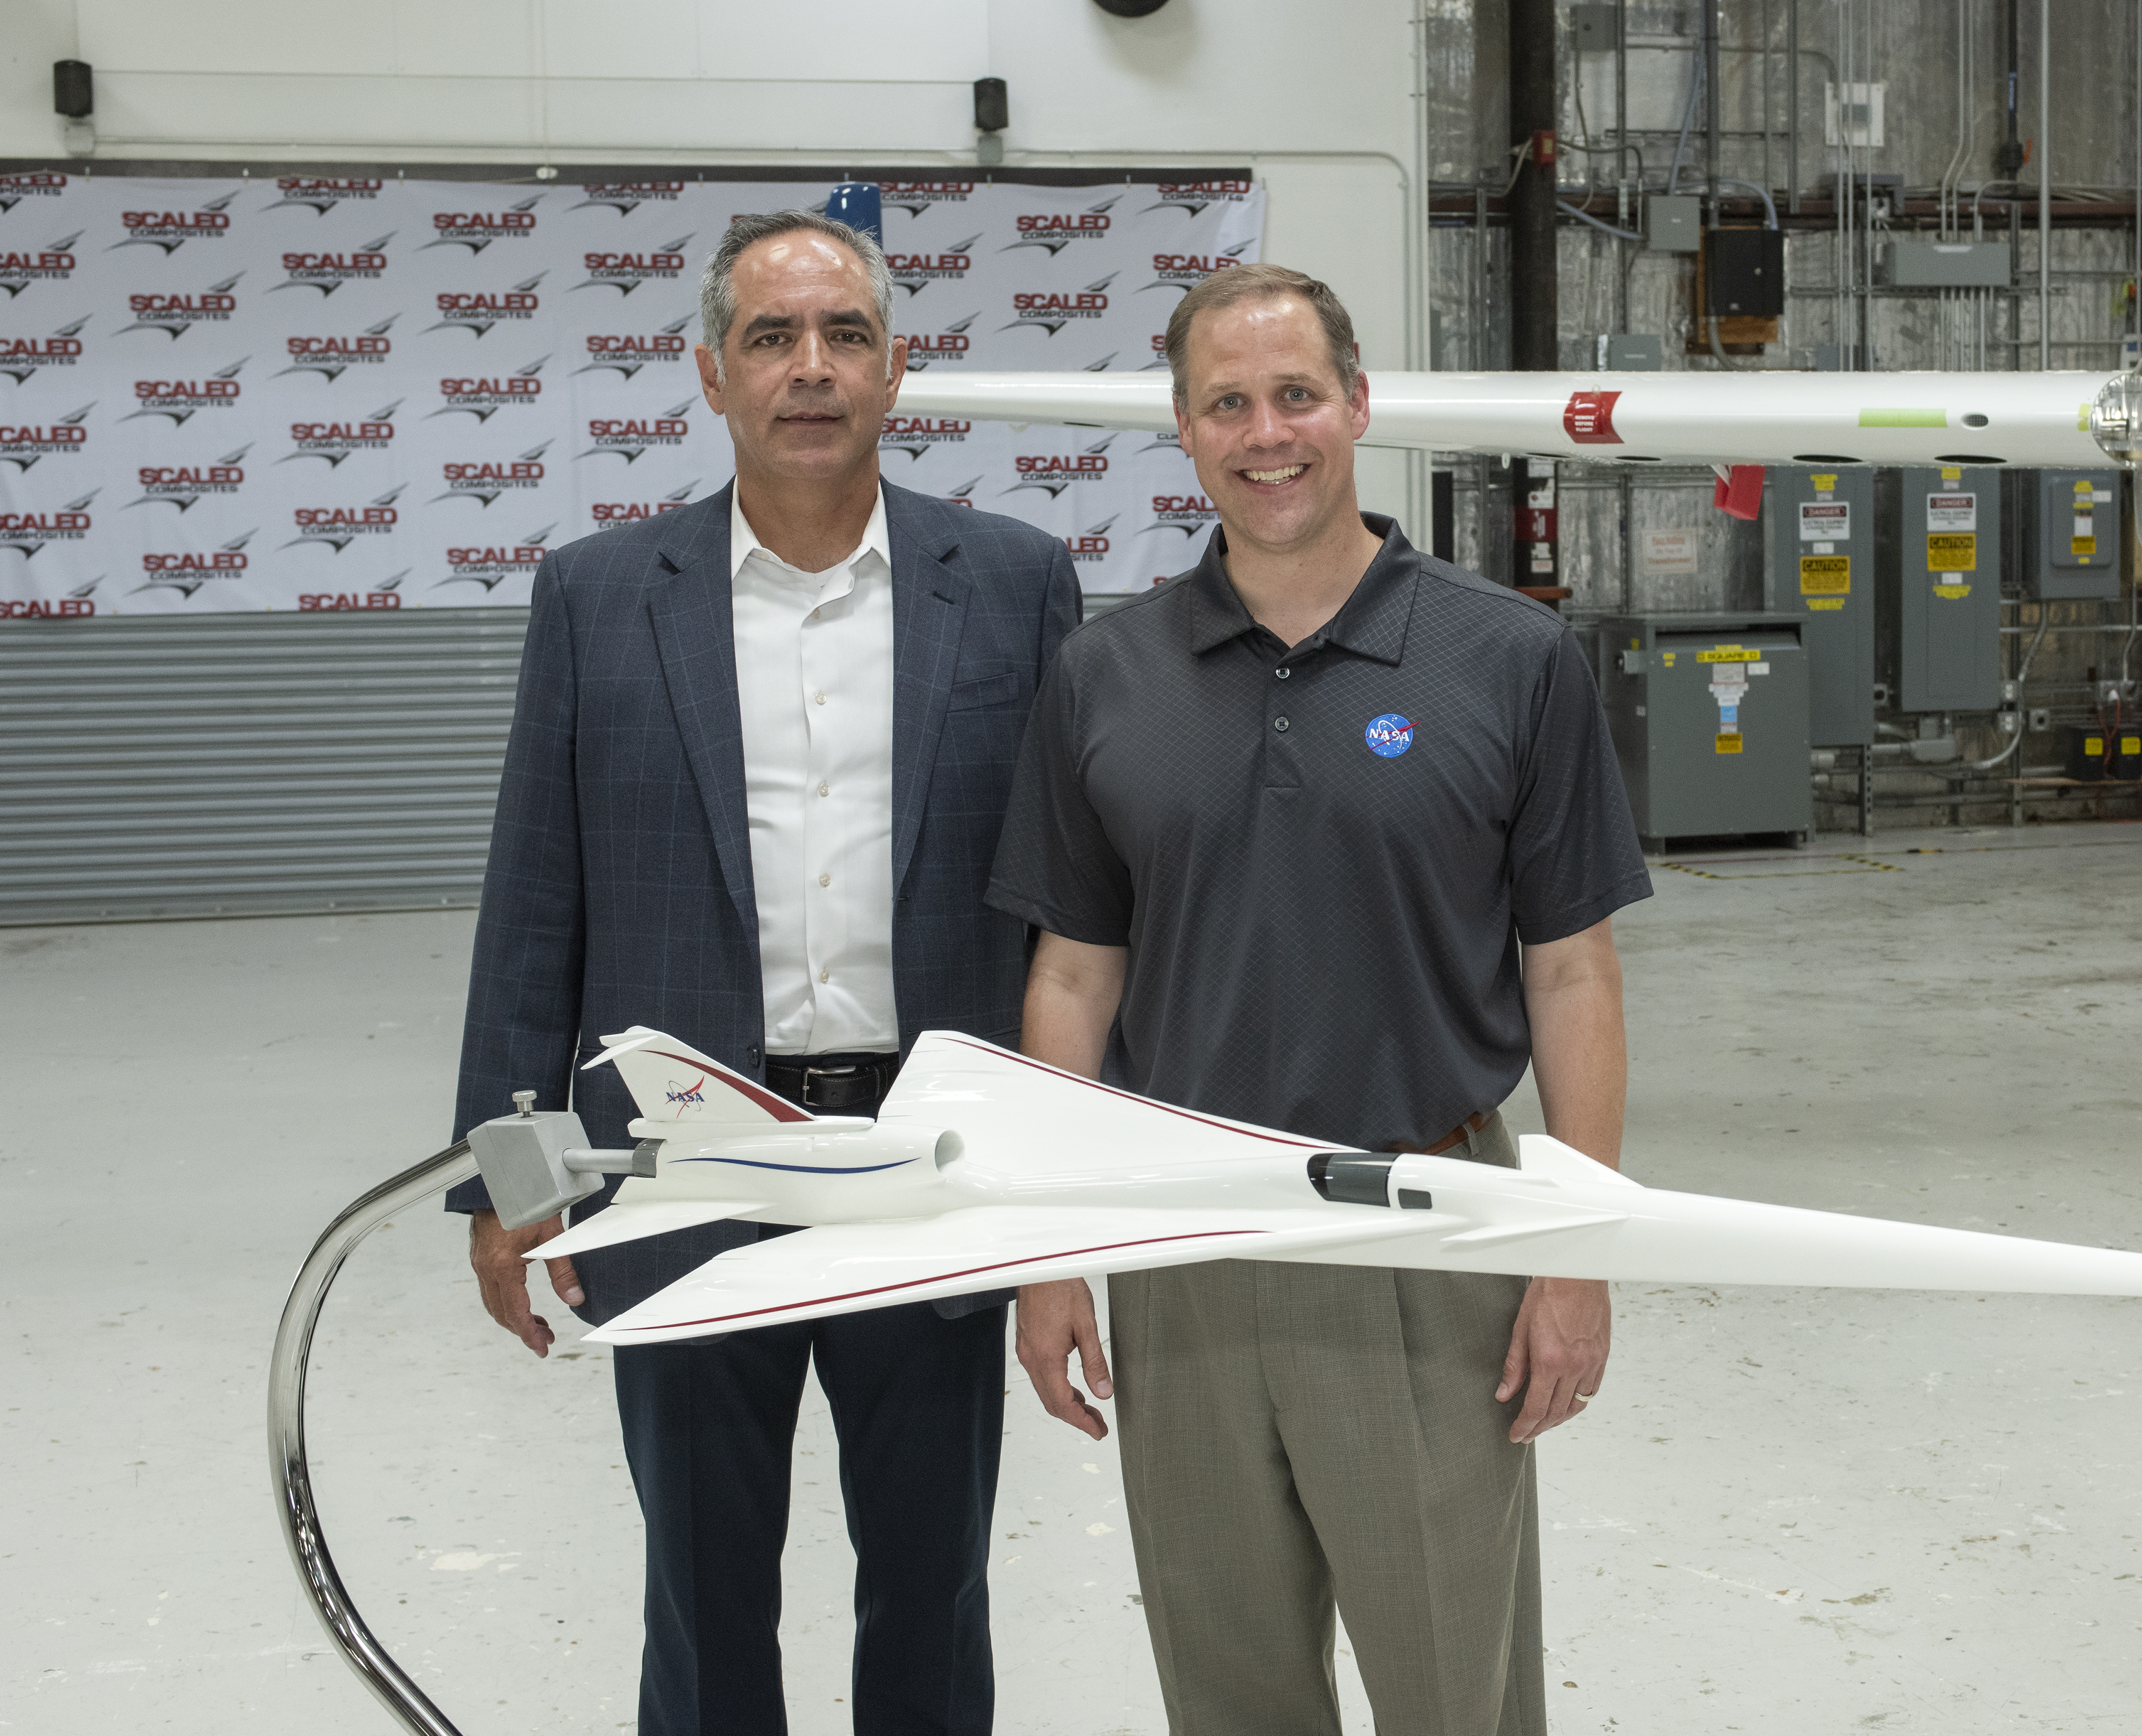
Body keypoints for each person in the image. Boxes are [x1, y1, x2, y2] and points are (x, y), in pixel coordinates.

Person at [988, 263, 1649, 1736]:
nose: (1265, 431)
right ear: (1183, 428)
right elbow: (1073, 975)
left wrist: (1574, 1251)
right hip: (1184, 1231)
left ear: (1357, 404)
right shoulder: (1104, 676)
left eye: (1296, 395)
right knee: (1226, 1683)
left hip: (1423, 1225)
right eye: (1227, 402)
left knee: (1447, 1676)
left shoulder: (1507, 657)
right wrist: (1047, 1256)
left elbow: (1570, 968)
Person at [446, 208, 1078, 1736]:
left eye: (845, 335)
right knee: (701, 1584)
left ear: (897, 368)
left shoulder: (1010, 583)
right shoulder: (601, 594)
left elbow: (1074, 908)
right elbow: (538, 902)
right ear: (711, 374)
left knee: (931, 1583)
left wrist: (1067, 1183)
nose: (811, 369)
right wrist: (511, 1181)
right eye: (773, 338)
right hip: (677, 1159)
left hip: (923, 1160)